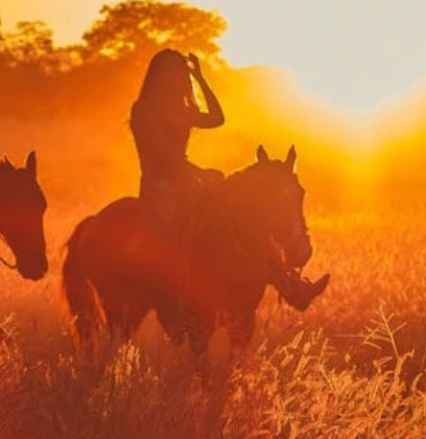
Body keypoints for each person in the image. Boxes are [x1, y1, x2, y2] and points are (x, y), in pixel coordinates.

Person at [129, 48, 327, 310]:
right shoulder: (144, 110)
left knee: (242, 220)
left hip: (189, 183)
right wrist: (199, 173)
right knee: (174, 239)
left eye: (181, 73)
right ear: (159, 75)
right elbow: (165, 156)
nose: (178, 78)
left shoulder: (182, 109)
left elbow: (217, 118)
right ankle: (176, 300)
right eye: (173, 72)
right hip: (160, 187)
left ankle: (291, 285)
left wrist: (200, 78)